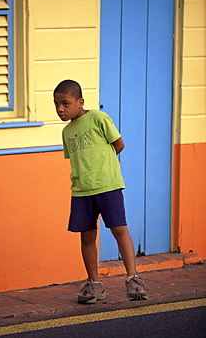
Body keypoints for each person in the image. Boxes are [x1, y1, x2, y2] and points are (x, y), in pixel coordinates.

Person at [53, 79, 148, 304]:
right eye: (56, 105)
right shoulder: (67, 132)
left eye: (65, 104)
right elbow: (77, 159)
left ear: (80, 101)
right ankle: (94, 284)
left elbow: (118, 144)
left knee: (119, 229)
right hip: (81, 191)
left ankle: (133, 279)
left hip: (107, 186)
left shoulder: (98, 118)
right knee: (86, 235)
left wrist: (103, 167)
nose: (60, 109)